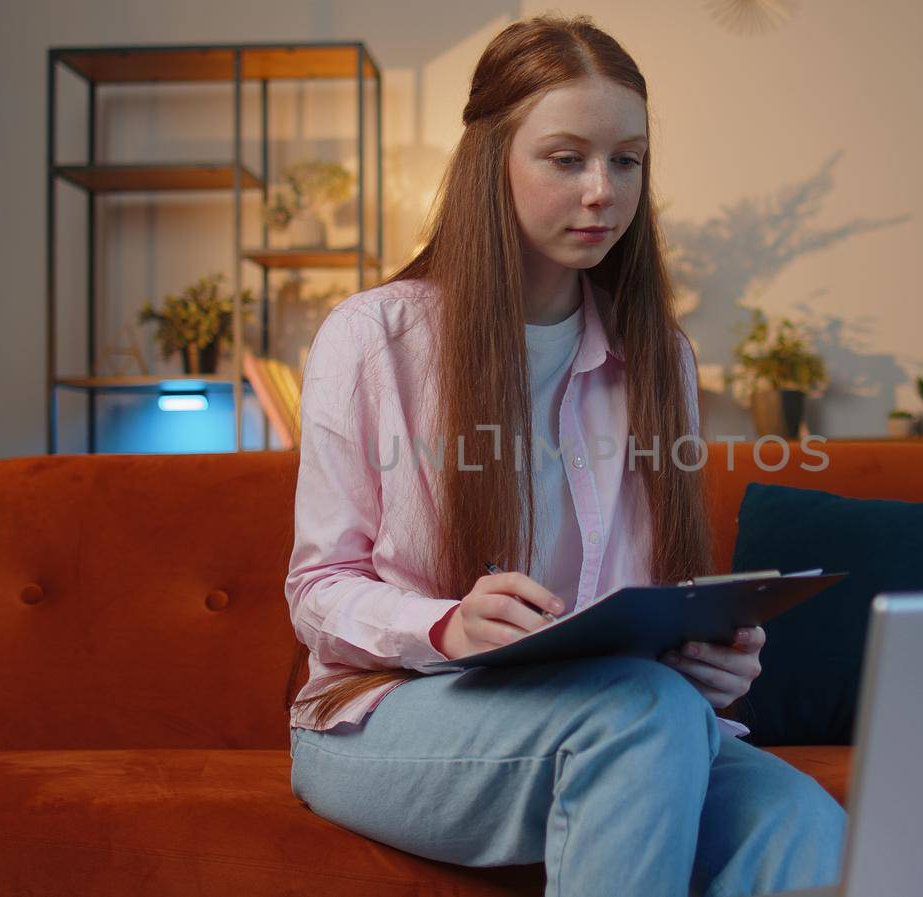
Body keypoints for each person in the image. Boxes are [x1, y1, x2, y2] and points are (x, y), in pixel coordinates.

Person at [285, 14, 846, 896]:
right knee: (644, 718)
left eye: (627, 160)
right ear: (493, 158)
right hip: (386, 717)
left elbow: (645, 601)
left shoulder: (659, 354)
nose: (603, 191)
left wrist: (711, 657)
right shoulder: (373, 338)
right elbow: (316, 591)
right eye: (567, 157)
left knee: (810, 826)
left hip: (619, 712)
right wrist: (444, 624)